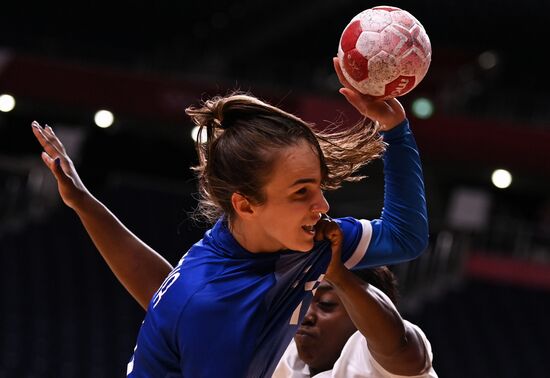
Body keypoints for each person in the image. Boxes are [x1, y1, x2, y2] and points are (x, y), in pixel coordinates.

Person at [30, 57, 429, 377]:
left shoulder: (298, 239)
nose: (322, 205)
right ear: (246, 205)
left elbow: (405, 237)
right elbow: (187, 305)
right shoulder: (214, 307)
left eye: (318, 186)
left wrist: (394, 129)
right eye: (301, 192)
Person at [273, 263, 438, 377]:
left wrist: (337, 272)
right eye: (301, 303)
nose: (305, 316)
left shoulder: (376, 358)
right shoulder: (284, 356)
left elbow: (400, 346)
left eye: (326, 304)